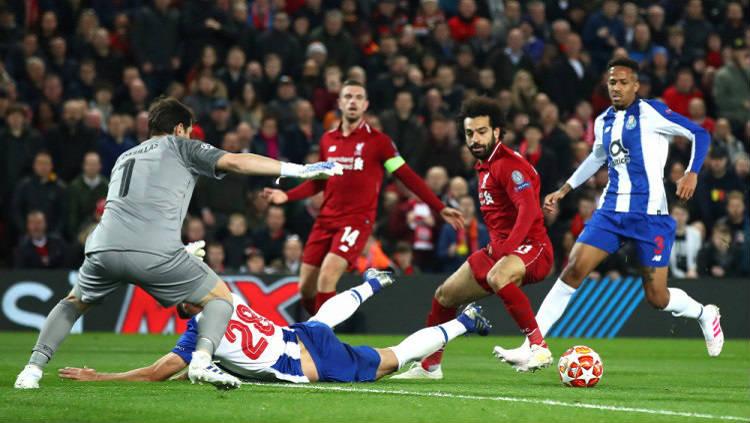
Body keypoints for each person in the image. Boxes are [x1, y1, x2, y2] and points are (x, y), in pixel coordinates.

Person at [14, 97, 343, 390]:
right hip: (154, 252)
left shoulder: (124, 156)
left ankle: (31, 370)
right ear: (181, 128)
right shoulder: (181, 145)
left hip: (102, 247)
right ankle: (201, 360)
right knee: (221, 300)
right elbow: (237, 161)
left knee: (72, 303)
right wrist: (301, 170)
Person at [494, 57, 722, 372]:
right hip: (610, 211)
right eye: (612, 82)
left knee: (656, 297)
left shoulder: (651, 112)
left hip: (649, 215)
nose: (616, 87)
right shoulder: (603, 121)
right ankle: (534, 346)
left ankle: (704, 314)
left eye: (623, 82)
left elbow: (700, 134)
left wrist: (692, 172)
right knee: (572, 269)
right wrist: (566, 189)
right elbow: (597, 156)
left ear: (636, 85)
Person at [57, 270, 490, 384]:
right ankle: (372, 284)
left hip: (308, 362)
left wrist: (104, 375)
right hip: (301, 335)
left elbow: (157, 371)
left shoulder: (196, 338)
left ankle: (466, 321)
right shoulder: (226, 295)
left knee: (391, 362)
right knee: (321, 320)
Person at [263, 80, 462, 315]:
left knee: (327, 277)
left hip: (355, 221)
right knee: (306, 288)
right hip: (325, 220)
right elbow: (320, 180)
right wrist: (286, 196)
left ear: (365, 104)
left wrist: (439, 206)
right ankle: (320, 328)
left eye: (358, 97)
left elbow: (407, 176)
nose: (353, 101)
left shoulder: (379, 143)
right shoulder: (328, 140)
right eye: (348, 96)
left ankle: (323, 343)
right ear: (339, 103)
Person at [393, 97, 555, 380]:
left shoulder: (509, 165)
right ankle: (431, 366)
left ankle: (538, 346)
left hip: (533, 247)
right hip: (499, 250)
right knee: (444, 296)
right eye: (470, 133)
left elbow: (528, 209)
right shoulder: (484, 166)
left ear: (497, 132)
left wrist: (507, 248)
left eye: (481, 131)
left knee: (498, 276)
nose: (475, 139)